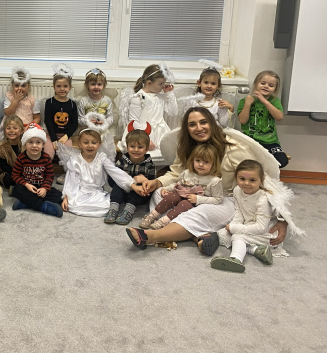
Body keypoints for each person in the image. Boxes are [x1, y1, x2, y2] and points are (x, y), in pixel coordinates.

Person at [125, 107, 293, 254]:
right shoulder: (186, 147)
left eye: (203, 122)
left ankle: (151, 236)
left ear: (212, 124)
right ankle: (197, 236)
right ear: (187, 129)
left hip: (224, 199)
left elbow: (264, 180)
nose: (199, 128)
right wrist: (156, 183)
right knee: (159, 194)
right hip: (189, 194)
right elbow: (175, 173)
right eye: (192, 124)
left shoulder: (234, 149)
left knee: (199, 213)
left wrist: (282, 219)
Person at [210, 160, 275, 272]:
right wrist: (233, 225)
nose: (246, 183)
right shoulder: (237, 190)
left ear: (261, 180)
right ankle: (255, 250)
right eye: (242, 179)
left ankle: (236, 259)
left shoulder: (263, 199)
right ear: (236, 178)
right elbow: (239, 211)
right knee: (221, 234)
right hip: (248, 225)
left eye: (252, 180)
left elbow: (261, 227)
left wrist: (235, 229)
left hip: (266, 232)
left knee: (237, 236)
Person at [139, 144, 223, 230]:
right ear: (192, 161)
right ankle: (152, 215)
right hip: (182, 194)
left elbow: (218, 199)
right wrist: (166, 188)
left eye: (206, 162)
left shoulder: (214, 181)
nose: (201, 164)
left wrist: (198, 199)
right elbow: (178, 185)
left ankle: (164, 221)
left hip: (196, 202)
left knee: (184, 204)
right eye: (198, 160)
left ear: (213, 164)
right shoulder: (187, 173)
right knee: (171, 197)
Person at [60, 129, 142, 217]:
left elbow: (115, 172)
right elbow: (70, 180)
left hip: (97, 192)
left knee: (107, 205)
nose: (90, 146)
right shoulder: (75, 160)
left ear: (99, 144)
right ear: (80, 144)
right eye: (86, 142)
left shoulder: (102, 158)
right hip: (80, 192)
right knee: (74, 204)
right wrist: (66, 197)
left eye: (94, 143)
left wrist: (131, 184)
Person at [119, 63, 177, 154]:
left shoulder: (161, 97)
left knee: (167, 153)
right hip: (142, 133)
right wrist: (146, 139)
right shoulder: (138, 98)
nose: (163, 86)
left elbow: (173, 112)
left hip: (160, 133)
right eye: (160, 84)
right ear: (149, 83)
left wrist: (169, 93)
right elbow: (134, 122)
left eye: (164, 83)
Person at [237, 70, 288, 168]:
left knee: (282, 161)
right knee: (243, 160)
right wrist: (248, 104)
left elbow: (279, 117)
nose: (266, 86)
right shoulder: (245, 100)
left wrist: (264, 101)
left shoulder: (275, 101)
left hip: (270, 141)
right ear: (256, 83)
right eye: (263, 83)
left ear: (275, 89)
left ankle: (262, 173)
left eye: (271, 85)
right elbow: (242, 120)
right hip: (250, 140)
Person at [11, 123, 63, 217]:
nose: (34, 145)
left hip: (41, 187)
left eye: (38, 142)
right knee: (17, 190)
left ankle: (26, 203)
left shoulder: (46, 158)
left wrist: (45, 188)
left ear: (43, 144)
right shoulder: (21, 158)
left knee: (58, 196)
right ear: (25, 144)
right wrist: (26, 184)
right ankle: (43, 207)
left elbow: (50, 176)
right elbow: (15, 176)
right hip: (27, 187)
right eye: (30, 142)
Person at [106, 129, 156, 225]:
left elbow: (153, 184)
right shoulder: (122, 161)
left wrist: (145, 181)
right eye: (132, 146)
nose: (136, 150)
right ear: (127, 148)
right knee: (117, 186)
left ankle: (128, 211)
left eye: (140, 147)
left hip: (139, 196)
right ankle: (113, 209)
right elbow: (112, 179)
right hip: (123, 193)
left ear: (146, 149)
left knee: (138, 190)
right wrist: (122, 178)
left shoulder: (149, 165)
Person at [77, 68, 116, 159]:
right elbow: (79, 118)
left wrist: (105, 122)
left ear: (104, 85)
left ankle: (104, 161)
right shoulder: (83, 100)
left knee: (106, 146)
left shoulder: (107, 100)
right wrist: (88, 121)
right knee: (89, 143)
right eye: (93, 84)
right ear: (87, 85)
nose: (96, 87)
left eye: (99, 84)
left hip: (103, 130)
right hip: (87, 129)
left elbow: (110, 117)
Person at [43, 63, 78, 160]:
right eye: (59, 86)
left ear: (70, 87)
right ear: (54, 87)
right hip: (50, 134)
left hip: (65, 135)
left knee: (68, 156)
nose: (62, 89)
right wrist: (53, 139)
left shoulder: (72, 104)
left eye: (65, 86)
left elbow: (74, 123)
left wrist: (66, 137)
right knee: (48, 155)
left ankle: (66, 170)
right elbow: (48, 121)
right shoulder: (49, 102)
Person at [0, 115, 24, 191]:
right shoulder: (1, 148)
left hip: (23, 170)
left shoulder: (25, 144)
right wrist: (18, 173)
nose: (11, 130)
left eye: (15, 128)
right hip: (7, 171)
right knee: (8, 179)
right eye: (8, 128)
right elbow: (3, 166)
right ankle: (16, 188)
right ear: (4, 131)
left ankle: (20, 186)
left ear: (21, 131)